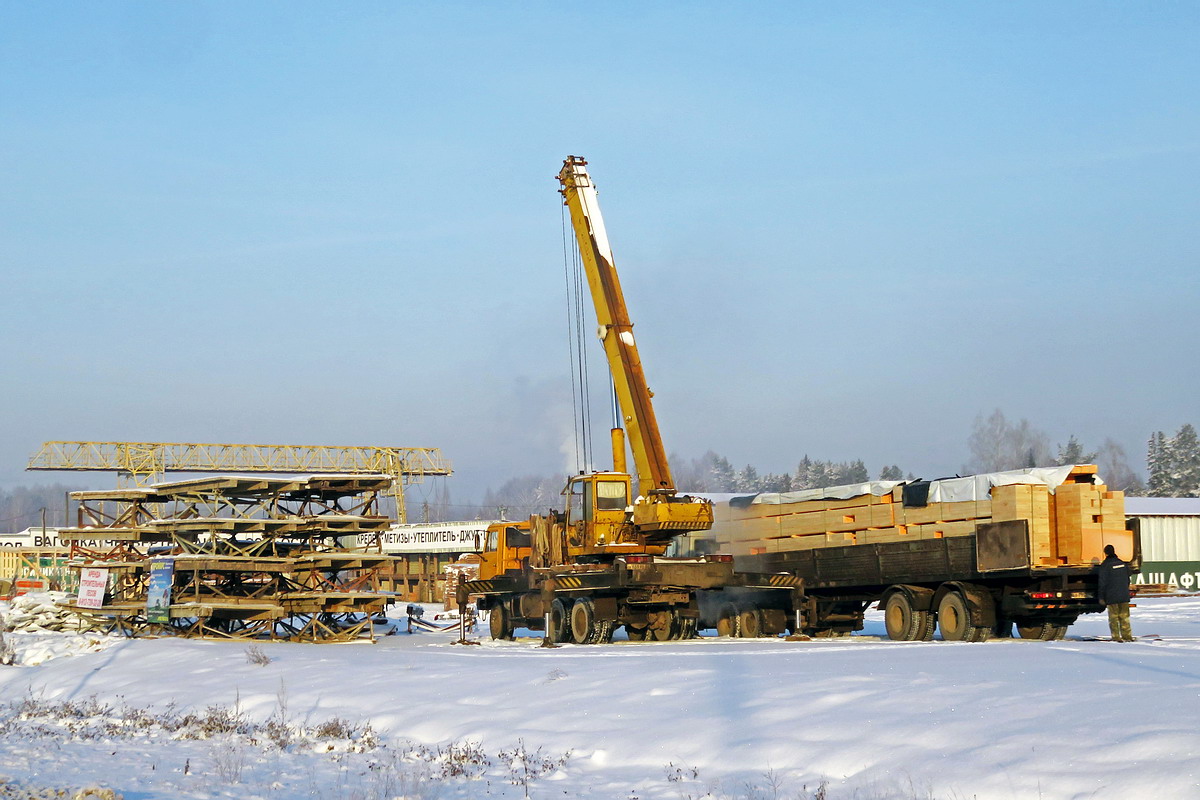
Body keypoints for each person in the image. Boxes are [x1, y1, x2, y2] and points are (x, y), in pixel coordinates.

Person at [1097, 544, 1134, 642]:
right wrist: (1124, 590)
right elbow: (1128, 578)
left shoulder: (1105, 565)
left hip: (1112, 596)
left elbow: (1102, 582)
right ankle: (1127, 637)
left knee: (1114, 618)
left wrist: (1101, 597)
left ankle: (1116, 637)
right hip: (1123, 595)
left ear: (1105, 553)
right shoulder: (1122, 563)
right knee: (1125, 617)